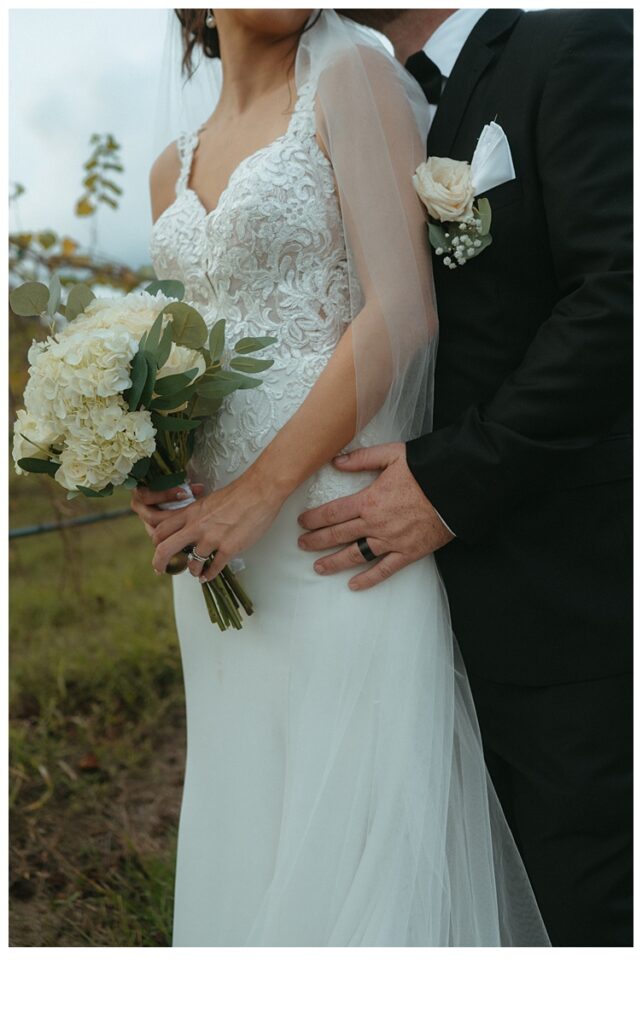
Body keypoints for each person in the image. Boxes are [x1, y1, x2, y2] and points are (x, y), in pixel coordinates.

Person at [132, 8, 549, 946]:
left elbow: (402, 314)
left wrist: (260, 492)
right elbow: (175, 355)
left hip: (336, 530)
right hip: (223, 565)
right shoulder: (169, 166)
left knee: (355, 840)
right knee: (254, 818)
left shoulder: (352, 77)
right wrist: (147, 465)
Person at [299, 8, 633, 946]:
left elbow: (621, 292)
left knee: (583, 907)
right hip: (384, 626)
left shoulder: (571, 50)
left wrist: (455, 481)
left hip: (562, 598)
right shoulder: (337, 105)